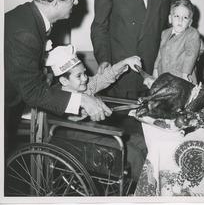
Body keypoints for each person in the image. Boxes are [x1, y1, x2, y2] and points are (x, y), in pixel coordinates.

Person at [5, 0, 112, 152]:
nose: (76, 2)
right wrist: (82, 100)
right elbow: (33, 92)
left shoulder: (31, 17)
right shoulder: (25, 33)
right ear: (55, 3)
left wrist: (68, 105)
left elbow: (33, 79)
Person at [44, 45, 147, 183]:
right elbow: (76, 115)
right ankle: (146, 193)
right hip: (78, 139)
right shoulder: (59, 97)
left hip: (94, 132)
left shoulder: (84, 86)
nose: (85, 78)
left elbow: (103, 78)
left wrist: (124, 63)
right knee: (133, 153)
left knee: (142, 141)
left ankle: (147, 183)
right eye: (79, 76)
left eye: (85, 73)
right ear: (64, 81)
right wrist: (92, 110)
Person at [152, 0, 204, 84]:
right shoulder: (165, 33)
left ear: (190, 22)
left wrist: (185, 74)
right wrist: (155, 69)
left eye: (185, 17)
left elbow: (191, 55)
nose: (180, 20)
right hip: (164, 77)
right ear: (170, 18)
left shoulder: (192, 34)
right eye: (176, 16)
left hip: (183, 78)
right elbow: (160, 53)